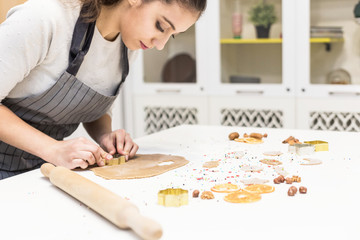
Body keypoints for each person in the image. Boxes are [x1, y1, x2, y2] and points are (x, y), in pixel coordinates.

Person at [0, 0, 207, 179]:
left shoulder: (129, 47)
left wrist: (105, 135)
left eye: (172, 35)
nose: (160, 44)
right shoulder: (44, 18)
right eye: (160, 26)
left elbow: (88, 100)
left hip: (42, 172)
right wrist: (52, 148)